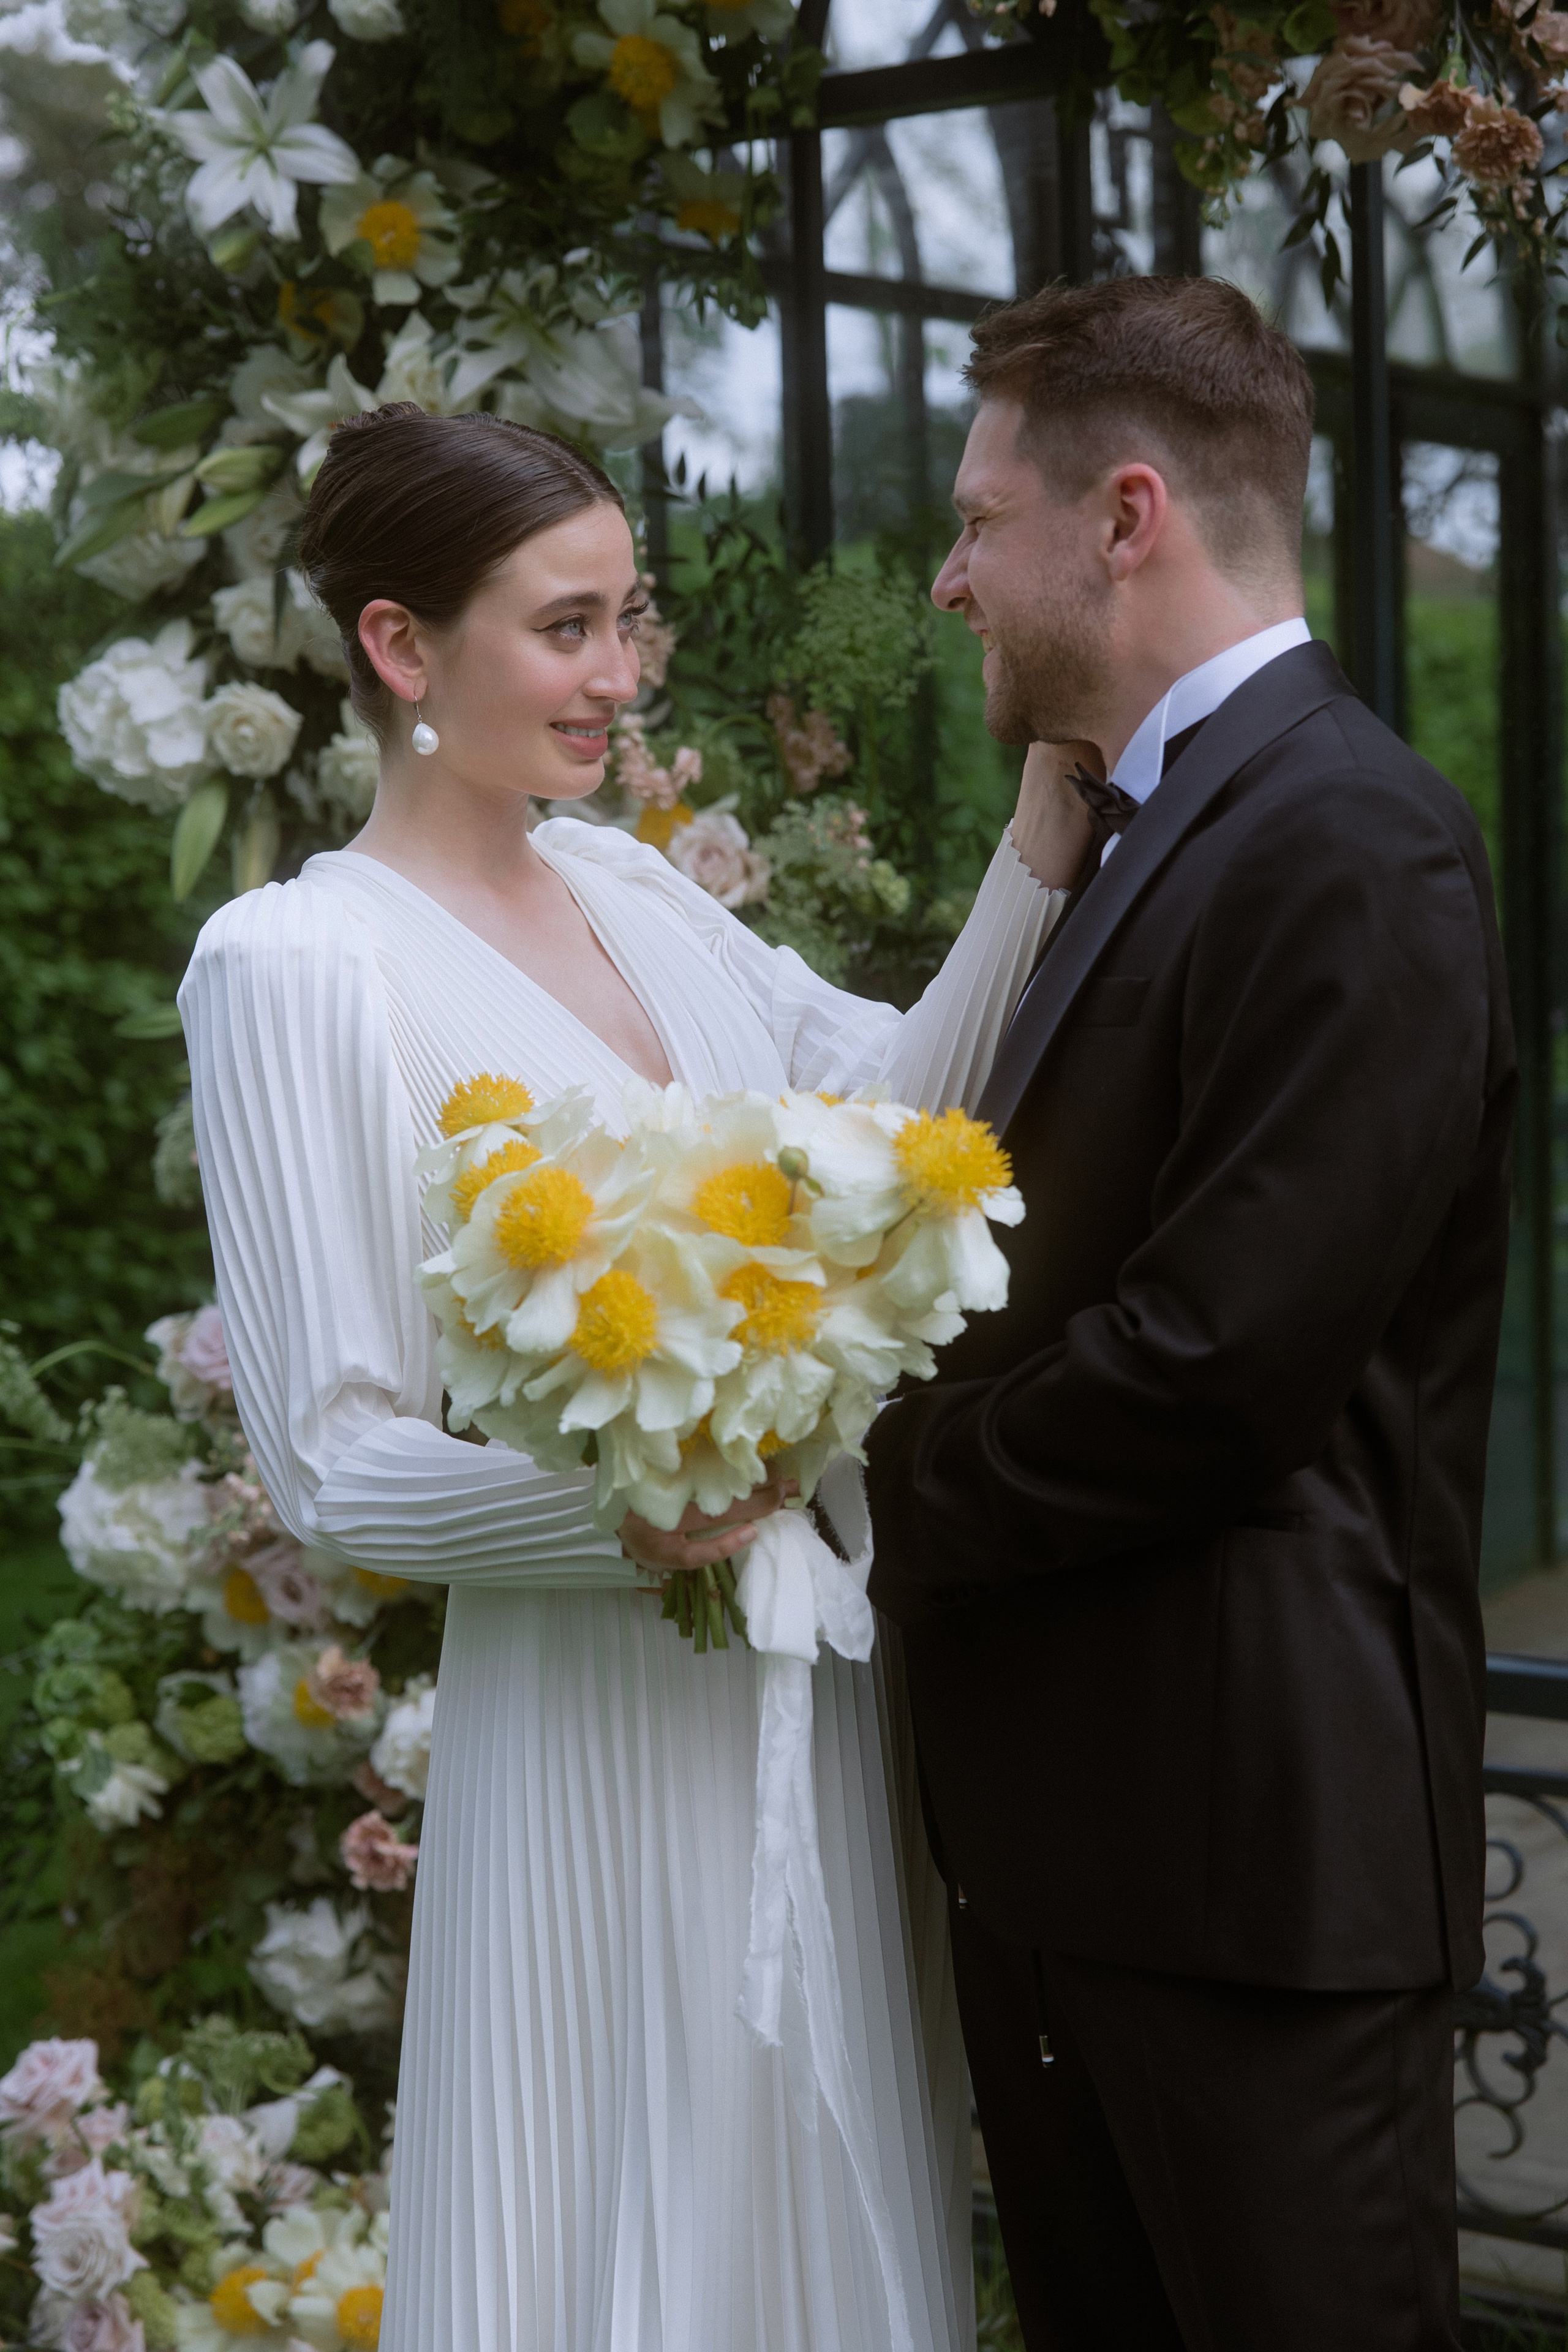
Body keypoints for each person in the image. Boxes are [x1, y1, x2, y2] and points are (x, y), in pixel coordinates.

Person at [178, 401, 1093, 2352]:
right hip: (594, 1699)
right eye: (566, 628)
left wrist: (1041, 843)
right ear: (402, 647)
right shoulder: (296, 968)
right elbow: (332, 1462)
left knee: (826, 2170)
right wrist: (636, 1516)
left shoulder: (637, 885)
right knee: (610, 2205)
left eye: (628, 620)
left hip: (806, 1677)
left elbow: (897, 1112)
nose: (620, 677)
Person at [865, 275, 1515, 2352]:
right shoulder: (1143, 826)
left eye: (979, 520)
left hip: (1257, 1887)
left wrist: (865, 1477)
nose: (955, 575)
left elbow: (1217, 1367)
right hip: (1078, 1871)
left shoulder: (1356, 836)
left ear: (1124, 516)